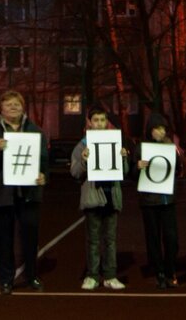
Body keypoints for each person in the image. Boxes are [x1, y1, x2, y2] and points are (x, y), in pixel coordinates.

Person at [0, 90, 49, 295]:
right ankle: (6, 280)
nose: (13, 108)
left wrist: (43, 175)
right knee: (3, 239)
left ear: (23, 107)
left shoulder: (35, 131)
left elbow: (43, 160)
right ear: (1, 109)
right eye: (8, 105)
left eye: (16, 104)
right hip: (0, 194)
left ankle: (32, 276)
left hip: (28, 193)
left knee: (30, 238)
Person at [71, 105, 131, 291]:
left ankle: (110, 275)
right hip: (93, 198)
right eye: (96, 120)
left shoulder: (116, 142)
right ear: (90, 122)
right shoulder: (82, 144)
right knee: (94, 240)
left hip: (111, 196)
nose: (99, 123)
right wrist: (83, 160)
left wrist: (123, 159)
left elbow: (125, 172)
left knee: (111, 240)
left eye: (102, 120)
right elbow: (74, 172)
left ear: (107, 122)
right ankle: (93, 276)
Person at [135, 113, 182, 289]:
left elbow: (178, 169)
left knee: (172, 238)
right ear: (150, 130)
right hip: (149, 201)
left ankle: (170, 270)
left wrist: (174, 152)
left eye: (163, 128)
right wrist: (137, 167)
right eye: (157, 128)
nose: (160, 132)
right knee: (153, 238)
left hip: (167, 200)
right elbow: (132, 174)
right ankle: (159, 272)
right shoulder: (141, 147)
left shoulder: (170, 146)